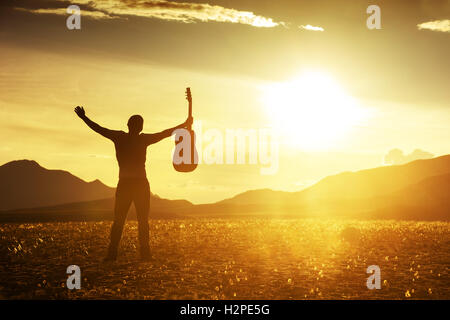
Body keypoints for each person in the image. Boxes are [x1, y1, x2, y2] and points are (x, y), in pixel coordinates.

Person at [74, 106, 192, 261]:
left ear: (128, 125)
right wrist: (183, 124)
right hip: (138, 184)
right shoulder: (141, 139)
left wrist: (84, 117)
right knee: (141, 220)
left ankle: (114, 253)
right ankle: (143, 253)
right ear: (140, 127)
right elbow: (164, 133)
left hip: (127, 184)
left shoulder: (120, 137)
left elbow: (99, 129)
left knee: (121, 219)